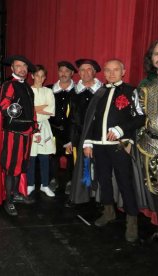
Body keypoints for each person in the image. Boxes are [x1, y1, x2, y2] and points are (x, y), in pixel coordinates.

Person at [75, 59, 144, 242]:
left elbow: (140, 118)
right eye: (108, 70)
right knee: (104, 180)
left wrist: (121, 129)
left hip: (119, 146)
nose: (112, 73)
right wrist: (88, 142)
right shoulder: (100, 92)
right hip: (99, 146)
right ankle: (108, 212)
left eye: (116, 70)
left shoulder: (131, 91)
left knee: (125, 183)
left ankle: (131, 221)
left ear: (123, 71)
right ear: (104, 73)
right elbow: (92, 119)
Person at [0, 55, 40, 216]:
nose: (22, 69)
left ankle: (16, 194)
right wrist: (13, 111)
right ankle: (8, 201)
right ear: (12, 68)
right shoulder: (9, 84)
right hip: (13, 132)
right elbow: (4, 104)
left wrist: (34, 127)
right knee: (11, 167)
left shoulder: (28, 88)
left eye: (24, 66)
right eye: (18, 66)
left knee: (21, 165)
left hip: (26, 132)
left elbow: (31, 110)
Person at [69, 59, 102, 203]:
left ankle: (100, 196)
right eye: (82, 69)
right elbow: (71, 118)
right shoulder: (74, 92)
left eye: (89, 69)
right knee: (81, 166)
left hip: (99, 136)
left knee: (100, 166)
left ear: (94, 72)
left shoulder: (103, 91)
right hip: (80, 136)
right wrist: (70, 139)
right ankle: (82, 195)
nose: (85, 72)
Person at [137, 40, 158, 236]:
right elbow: (138, 115)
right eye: (156, 54)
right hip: (151, 143)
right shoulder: (145, 84)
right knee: (154, 186)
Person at [27, 65, 56, 198]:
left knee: (44, 157)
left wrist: (35, 109)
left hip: (44, 127)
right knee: (31, 157)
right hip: (30, 128)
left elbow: (51, 111)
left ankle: (44, 185)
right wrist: (40, 108)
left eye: (42, 76)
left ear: (45, 78)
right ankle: (30, 184)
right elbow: (27, 111)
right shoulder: (27, 90)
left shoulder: (48, 92)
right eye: (37, 75)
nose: (39, 78)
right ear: (32, 76)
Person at [47, 61, 76, 192]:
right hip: (53, 131)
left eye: (67, 71)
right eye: (61, 71)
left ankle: (70, 181)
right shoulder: (49, 89)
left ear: (72, 73)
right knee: (53, 157)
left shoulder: (77, 91)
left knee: (71, 157)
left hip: (71, 131)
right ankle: (53, 179)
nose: (63, 73)